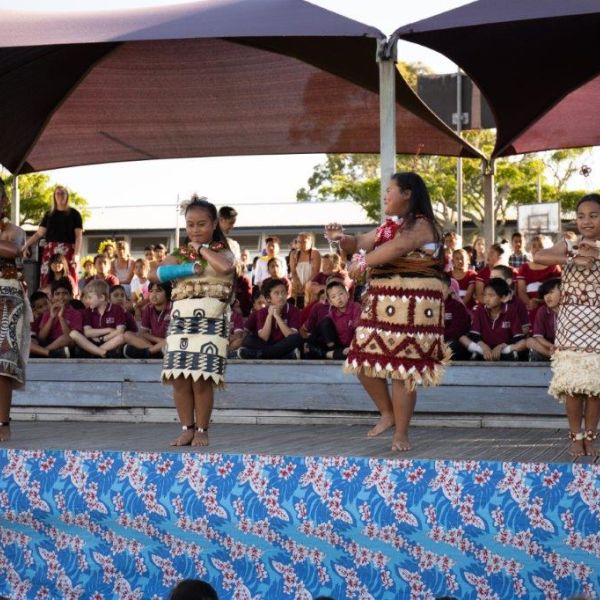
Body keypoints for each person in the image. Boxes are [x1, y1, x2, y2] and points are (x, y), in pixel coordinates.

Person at [326, 172, 449, 452]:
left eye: (390, 190)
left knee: (403, 370)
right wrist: (341, 239)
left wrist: (362, 263)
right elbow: (358, 243)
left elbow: (399, 247)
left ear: (407, 193)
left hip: (415, 306)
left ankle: (401, 433)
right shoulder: (387, 226)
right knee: (361, 360)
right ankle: (387, 412)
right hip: (383, 303)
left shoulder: (422, 225)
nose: (385, 195)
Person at [151, 195, 235, 448]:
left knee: (201, 378)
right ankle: (186, 428)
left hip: (211, 319)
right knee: (179, 377)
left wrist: (200, 250)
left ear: (214, 225)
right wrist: (187, 268)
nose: (195, 230)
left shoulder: (225, 250)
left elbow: (224, 268)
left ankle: (202, 429)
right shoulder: (179, 254)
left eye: (201, 224)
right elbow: (154, 274)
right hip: (181, 320)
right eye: (190, 225)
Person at [534, 194, 600, 457]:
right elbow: (539, 256)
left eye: (594, 215)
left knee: (595, 388)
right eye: (581, 216)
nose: (586, 221)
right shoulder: (569, 244)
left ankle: (591, 436)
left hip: (598, 327)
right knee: (573, 386)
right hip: (571, 325)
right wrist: (570, 257)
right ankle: (575, 435)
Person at [0, 178, 29, 442]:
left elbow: (15, 249)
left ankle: (3, 423)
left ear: (4, 201)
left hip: (7, 296)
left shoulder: (14, 230)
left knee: (2, 362)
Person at [22, 185, 83, 288]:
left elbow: (78, 237)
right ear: (54, 196)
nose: (60, 196)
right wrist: (26, 245)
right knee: (47, 279)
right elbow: (39, 233)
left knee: (68, 279)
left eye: (63, 193)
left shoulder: (75, 214)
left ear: (67, 196)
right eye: (57, 193)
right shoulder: (49, 214)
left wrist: (76, 254)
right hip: (50, 252)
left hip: (68, 252)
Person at [462, 278, 528, 361]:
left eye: (492, 295)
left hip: (503, 348)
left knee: (525, 342)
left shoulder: (511, 311)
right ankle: (483, 352)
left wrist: (501, 346)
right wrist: (484, 347)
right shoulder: (479, 309)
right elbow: (474, 335)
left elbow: (517, 337)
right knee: (462, 338)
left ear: (503, 298)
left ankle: (491, 354)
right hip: (484, 348)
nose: (487, 299)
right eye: (485, 295)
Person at [239, 278, 303, 359]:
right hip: (267, 344)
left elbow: (289, 335)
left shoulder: (293, 310)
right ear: (268, 298)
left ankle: (260, 354)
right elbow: (264, 337)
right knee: (247, 340)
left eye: (283, 292)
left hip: (284, 344)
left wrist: (277, 317)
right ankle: (284, 356)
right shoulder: (262, 312)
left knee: (296, 338)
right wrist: (270, 315)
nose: (281, 296)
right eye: (276, 293)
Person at [69, 279, 126, 358]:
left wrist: (103, 339)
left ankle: (94, 352)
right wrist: (108, 330)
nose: (87, 301)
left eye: (90, 297)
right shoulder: (87, 311)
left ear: (102, 297)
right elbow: (88, 332)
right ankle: (101, 353)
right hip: (92, 341)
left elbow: (120, 330)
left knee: (123, 336)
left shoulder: (116, 309)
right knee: (73, 334)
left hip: (110, 341)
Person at [305, 279, 361, 359]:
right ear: (330, 302)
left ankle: (328, 354)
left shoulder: (356, 307)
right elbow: (320, 330)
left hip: (353, 345)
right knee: (324, 323)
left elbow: (358, 330)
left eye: (341, 294)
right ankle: (333, 353)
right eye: (334, 297)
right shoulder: (332, 314)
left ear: (347, 294)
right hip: (338, 347)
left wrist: (353, 346)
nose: (338, 298)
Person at [516, 234, 561, 324]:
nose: (537, 249)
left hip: (549, 305)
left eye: (540, 246)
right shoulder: (524, 267)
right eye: (534, 246)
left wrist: (540, 301)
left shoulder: (554, 267)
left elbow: (557, 291)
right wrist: (530, 303)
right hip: (529, 306)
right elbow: (521, 291)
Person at [123, 281, 172, 358]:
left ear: (168, 293)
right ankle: (156, 354)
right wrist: (159, 341)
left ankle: (150, 352)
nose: (154, 295)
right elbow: (143, 333)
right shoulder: (148, 308)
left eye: (158, 291)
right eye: (151, 291)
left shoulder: (174, 308)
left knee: (172, 340)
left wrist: (163, 342)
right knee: (127, 335)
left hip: (170, 343)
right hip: (155, 343)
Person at [37, 278, 82, 358]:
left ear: (71, 295)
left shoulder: (76, 313)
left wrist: (61, 317)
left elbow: (71, 337)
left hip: (67, 344)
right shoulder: (48, 312)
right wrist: (51, 317)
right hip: (50, 342)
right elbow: (41, 337)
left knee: (65, 338)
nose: (61, 297)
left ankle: (41, 352)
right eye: (57, 294)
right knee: (30, 341)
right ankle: (48, 352)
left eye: (65, 293)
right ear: (52, 297)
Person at [527, 278, 561, 361]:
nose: (547, 297)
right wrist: (551, 346)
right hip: (549, 348)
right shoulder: (542, 310)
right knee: (529, 341)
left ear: (563, 293)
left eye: (551, 292)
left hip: (567, 347)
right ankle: (555, 356)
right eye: (545, 294)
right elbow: (538, 336)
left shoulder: (571, 310)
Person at [440, 273, 471, 360]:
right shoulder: (426, 306)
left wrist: (439, 336)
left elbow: (457, 330)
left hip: (450, 341)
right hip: (431, 342)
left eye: (441, 288)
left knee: (454, 346)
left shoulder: (457, 307)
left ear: (450, 289)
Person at [289, 231, 321, 307]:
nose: (301, 244)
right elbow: (293, 271)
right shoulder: (294, 254)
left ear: (310, 242)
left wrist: (306, 286)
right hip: (297, 284)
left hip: (311, 284)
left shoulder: (315, 253)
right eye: (299, 242)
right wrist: (298, 283)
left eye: (304, 242)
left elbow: (315, 272)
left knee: (309, 306)